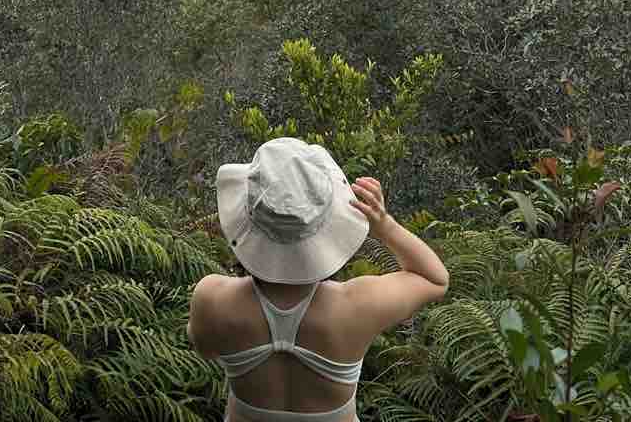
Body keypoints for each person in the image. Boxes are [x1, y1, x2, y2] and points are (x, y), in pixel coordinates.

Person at [188, 137, 449, 422]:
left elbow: (205, 348)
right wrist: (385, 226)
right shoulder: (356, 306)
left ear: (246, 219)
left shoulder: (213, 299)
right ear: (327, 227)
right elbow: (435, 279)